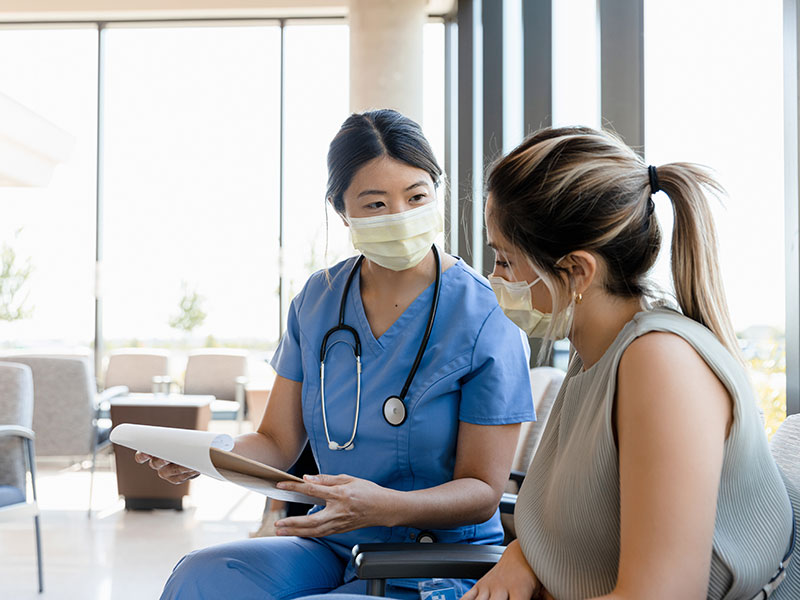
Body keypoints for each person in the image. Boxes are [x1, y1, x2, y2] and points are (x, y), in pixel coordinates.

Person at [137, 109, 535, 600]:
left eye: (416, 197)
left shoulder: (485, 312)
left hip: (432, 557)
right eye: (375, 204)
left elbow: (482, 492)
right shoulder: (318, 300)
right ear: (340, 209)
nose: (400, 217)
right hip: (334, 545)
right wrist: (208, 455)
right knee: (203, 576)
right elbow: (276, 443)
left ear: (438, 192)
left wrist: (384, 506)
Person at [463, 126, 799, 600]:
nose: (494, 278)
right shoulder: (599, 351)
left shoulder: (660, 365)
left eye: (505, 260)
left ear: (577, 271)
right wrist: (523, 557)